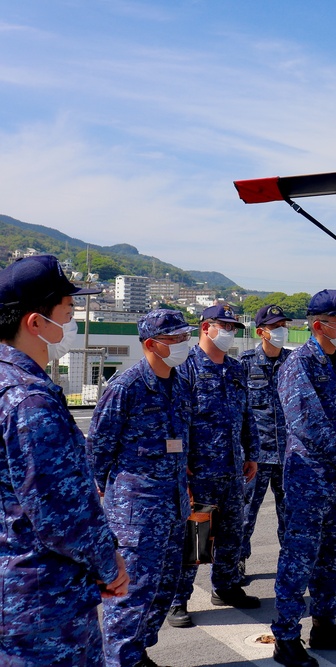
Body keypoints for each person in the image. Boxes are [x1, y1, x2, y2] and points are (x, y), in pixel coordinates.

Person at [0, 255, 129, 666]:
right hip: (43, 603)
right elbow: (61, 514)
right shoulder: (30, 400)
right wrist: (110, 566)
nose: (72, 323)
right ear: (35, 322)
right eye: (69, 312)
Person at [88, 309, 195, 667]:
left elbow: (183, 442)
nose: (184, 344)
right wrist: (104, 496)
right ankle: (119, 659)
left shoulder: (179, 383)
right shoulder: (126, 387)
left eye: (185, 336)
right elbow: (98, 448)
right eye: (176, 339)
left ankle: (137, 653)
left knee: (162, 591)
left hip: (174, 507)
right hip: (137, 514)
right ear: (151, 344)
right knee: (131, 596)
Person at [271, 289, 336, 667]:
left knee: (332, 556)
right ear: (319, 325)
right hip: (310, 476)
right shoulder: (298, 365)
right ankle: (286, 636)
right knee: (299, 557)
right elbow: (307, 422)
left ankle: (325, 623)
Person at [167, 303, 260, 628]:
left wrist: (252, 453)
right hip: (199, 473)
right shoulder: (186, 367)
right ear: (206, 327)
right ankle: (178, 599)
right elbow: (175, 421)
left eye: (234, 328)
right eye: (225, 326)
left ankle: (226, 586)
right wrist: (180, 465)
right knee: (195, 539)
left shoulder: (236, 369)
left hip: (232, 469)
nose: (230, 333)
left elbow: (247, 415)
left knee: (232, 535)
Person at [238, 304, 292, 580]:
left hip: (289, 456)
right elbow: (238, 412)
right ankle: (237, 563)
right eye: (275, 327)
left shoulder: (294, 363)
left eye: (284, 326)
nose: (282, 331)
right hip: (256, 457)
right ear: (261, 332)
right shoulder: (245, 364)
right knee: (245, 515)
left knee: (291, 517)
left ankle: (291, 567)